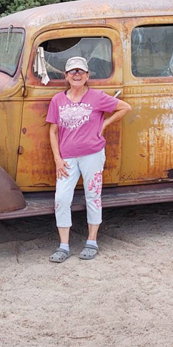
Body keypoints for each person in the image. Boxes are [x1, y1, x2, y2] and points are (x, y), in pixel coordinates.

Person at [46, 56, 131, 262]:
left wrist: (104, 125)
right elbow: (53, 131)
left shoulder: (97, 97)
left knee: (93, 196)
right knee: (61, 199)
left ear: (87, 76)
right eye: (72, 72)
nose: (77, 75)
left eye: (80, 72)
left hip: (92, 154)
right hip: (67, 158)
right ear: (66, 76)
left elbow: (125, 108)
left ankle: (91, 241)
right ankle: (64, 245)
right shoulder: (58, 100)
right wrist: (57, 158)